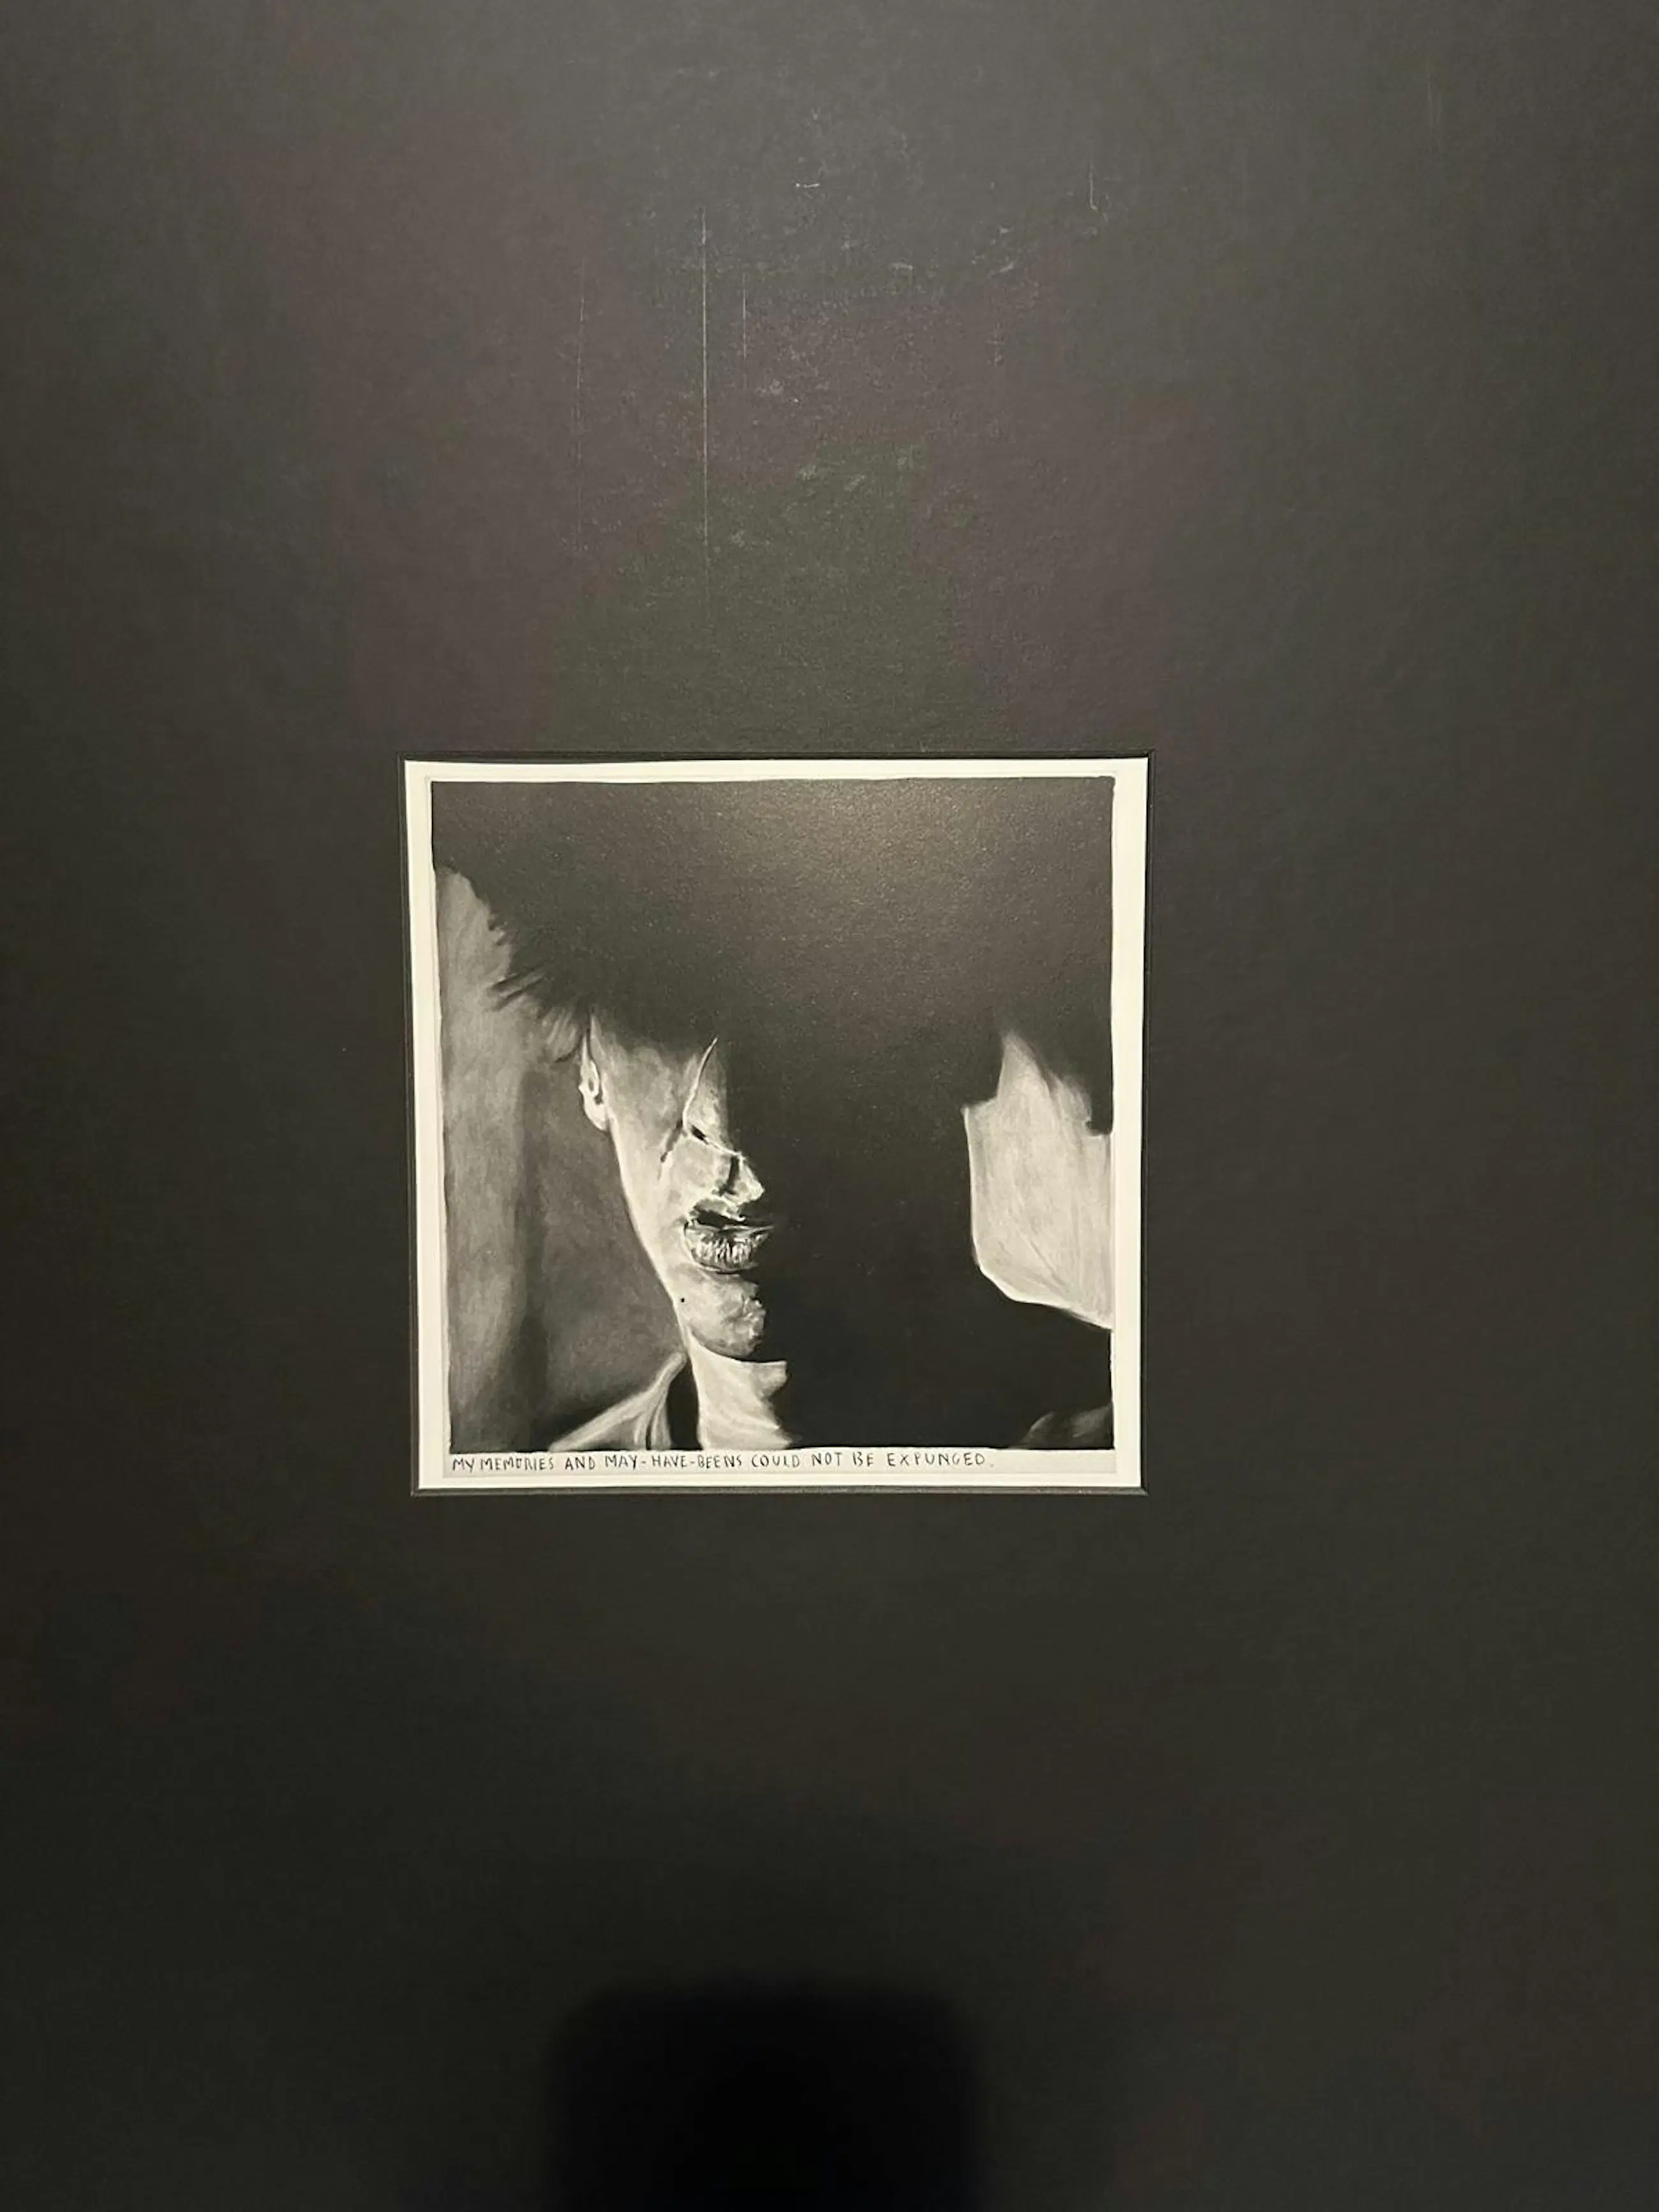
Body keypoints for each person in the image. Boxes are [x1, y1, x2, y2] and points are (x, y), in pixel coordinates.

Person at [435, 775, 1114, 1454]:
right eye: (657, 1007)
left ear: (958, 1049)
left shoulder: (1135, 1443)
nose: (727, 1121)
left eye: (810, 1013)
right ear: (590, 1067)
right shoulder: (558, 1492)